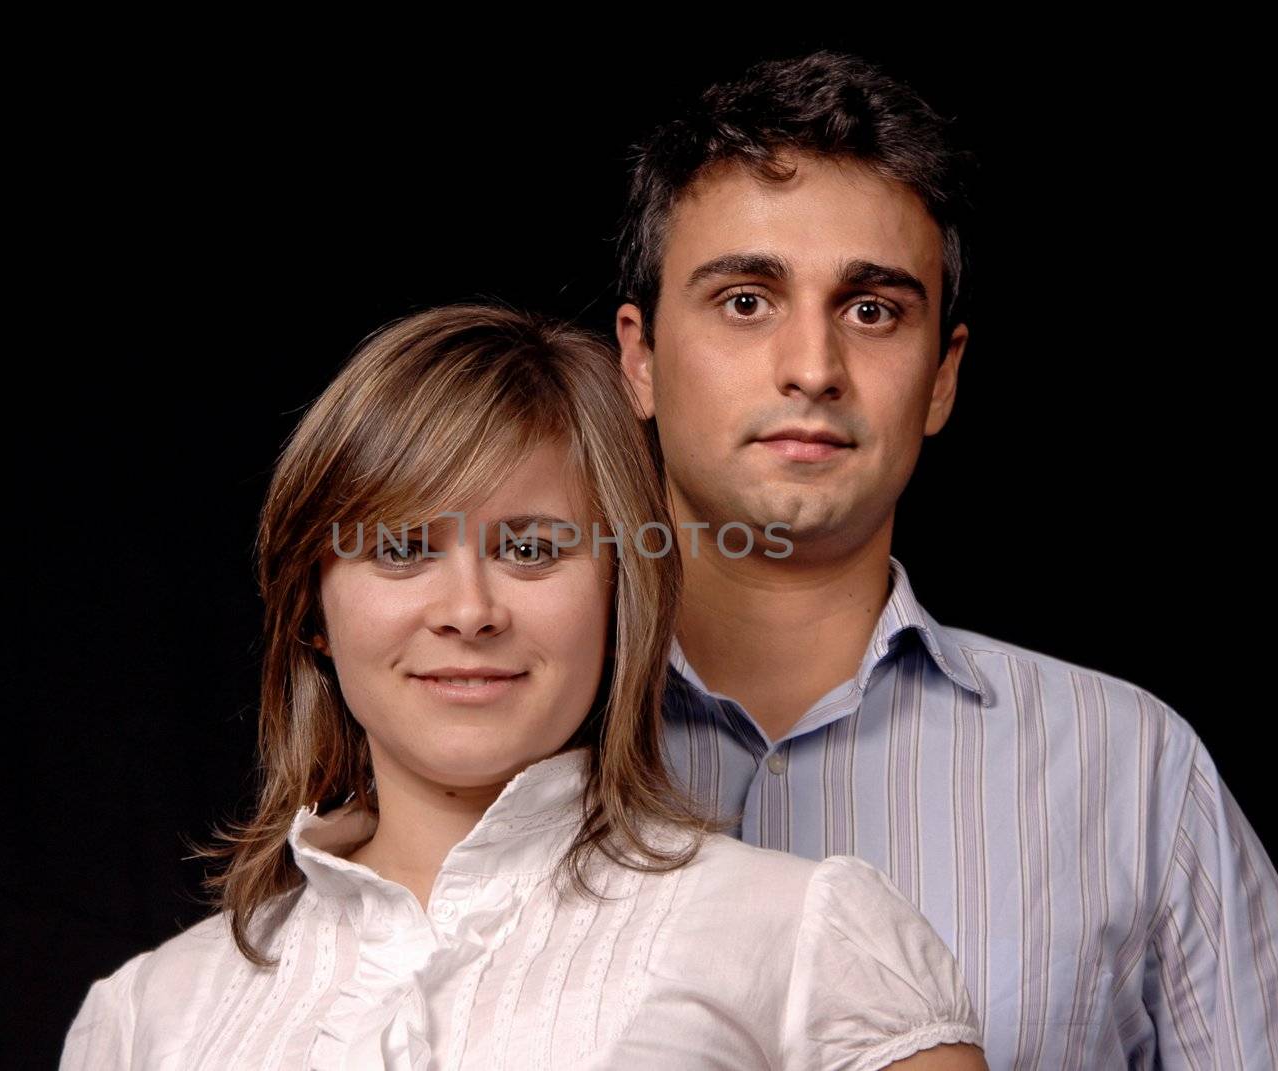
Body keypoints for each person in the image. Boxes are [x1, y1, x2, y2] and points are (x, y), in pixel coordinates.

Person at [612, 49, 1278, 1070]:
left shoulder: (1128, 770)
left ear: (942, 377)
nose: (812, 368)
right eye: (746, 300)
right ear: (638, 358)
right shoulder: (487, 739)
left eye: (871, 310)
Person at [58, 305, 988, 1069]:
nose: (469, 610)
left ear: (621, 593)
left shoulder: (806, 941)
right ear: (311, 608)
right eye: (400, 549)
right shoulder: (147, 1020)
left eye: (533, 548)